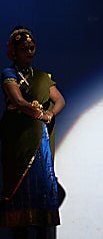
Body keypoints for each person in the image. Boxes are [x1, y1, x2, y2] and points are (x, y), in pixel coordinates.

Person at [0, 26, 65, 239]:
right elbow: (18, 101)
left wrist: (51, 114)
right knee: (20, 184)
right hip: (18, 138)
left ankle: (41, 228)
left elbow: (60, 100)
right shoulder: (9, 74)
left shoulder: (42, 77)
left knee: (42, 183)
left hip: (41, 140)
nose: (29, 52)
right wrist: (39, 114)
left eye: (31, 48)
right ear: (14, 51)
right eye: (24, 48)